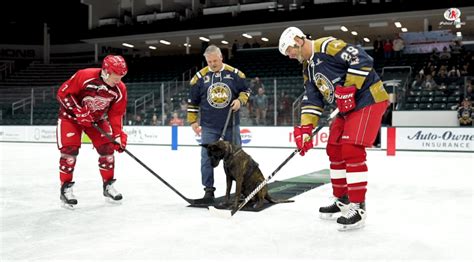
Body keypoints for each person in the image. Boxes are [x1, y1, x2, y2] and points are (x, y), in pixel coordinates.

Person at [278, 27, 389, 230]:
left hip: (368, 98)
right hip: (346, 107)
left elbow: (361, 58)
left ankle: (358, 207)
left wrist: (349, 88)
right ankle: (342, 200)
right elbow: (312, 99)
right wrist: (305, 128)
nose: (290, 56)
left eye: (290, 51)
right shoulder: (308, 68)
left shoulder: (327, 46)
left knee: (351, 149)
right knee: (334, 149)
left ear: (297, 40)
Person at [56, 55, 128, 207]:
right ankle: (65, 189)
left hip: (96, 119)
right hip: (70, 118)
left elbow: (115, 114)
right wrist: (78, 110)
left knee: (108, 149)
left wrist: (118, 136)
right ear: (106, 72)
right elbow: (63, 93)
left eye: (121, 77)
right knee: (69, 152)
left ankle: (108, 186)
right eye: (116, 77)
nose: (119, 81)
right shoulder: (85, 75)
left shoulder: (120, 89)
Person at [187, 45, 250, 201]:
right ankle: (209, 191)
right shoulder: (199, 78)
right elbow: (193, 102)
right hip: (209, 127)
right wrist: (192, 121)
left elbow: (246, 91)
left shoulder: (235, 74)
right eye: (209, 61)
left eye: (215, 60)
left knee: (236, 158)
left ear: (221, 57)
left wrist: (240, 101)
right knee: (207, 158)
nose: (213, 64)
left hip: (231, 125)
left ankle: (241, 191)